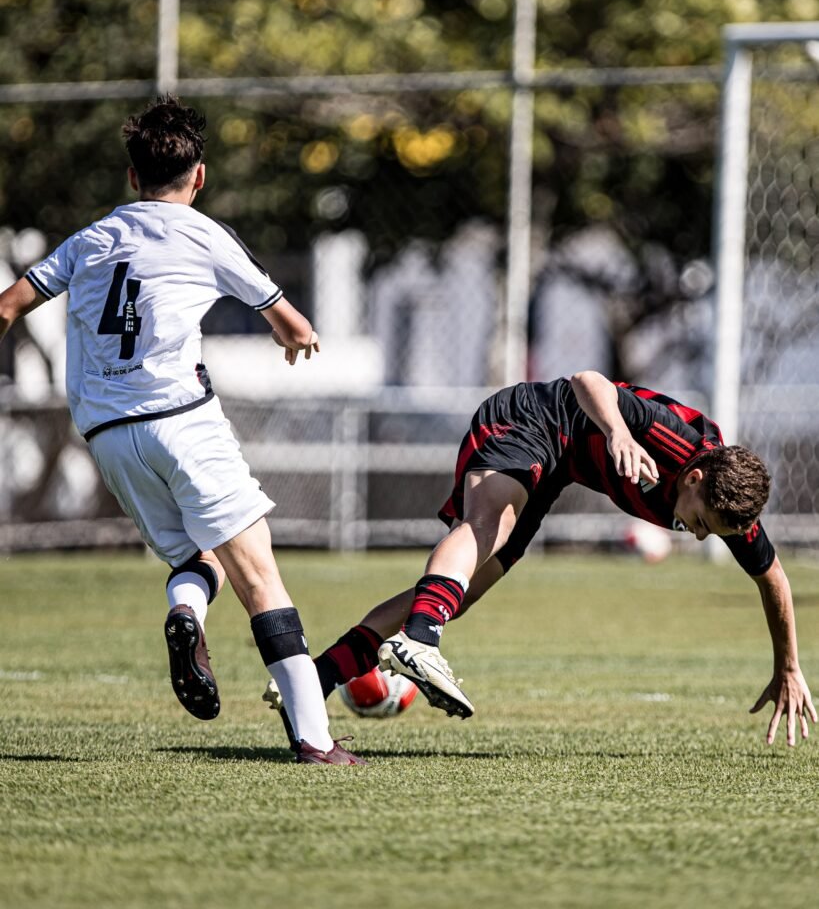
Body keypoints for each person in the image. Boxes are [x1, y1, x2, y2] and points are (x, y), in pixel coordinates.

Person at [0, 95, 364, 766]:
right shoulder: (205, 235)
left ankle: (187, 613)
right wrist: (295, 337)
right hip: (181, 421)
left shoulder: (90, 239)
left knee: (199, 561)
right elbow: (293, 323)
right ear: (199, 176)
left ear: (131, 176)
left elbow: (7, 306)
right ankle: (315, 741)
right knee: (260, 576)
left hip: (108, 434)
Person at [276, 372, 815, 749]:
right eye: (700, 522)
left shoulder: (729, 504)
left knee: (466, 590)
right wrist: (619, 432)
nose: (698, 535)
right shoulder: (673, 439)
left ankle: (314, 679)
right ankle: (420, 640)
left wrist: (788, 666)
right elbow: (587, 381)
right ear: (693, 479)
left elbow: (773, 578)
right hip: (532, 417)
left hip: (557, 467)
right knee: (487, 525)